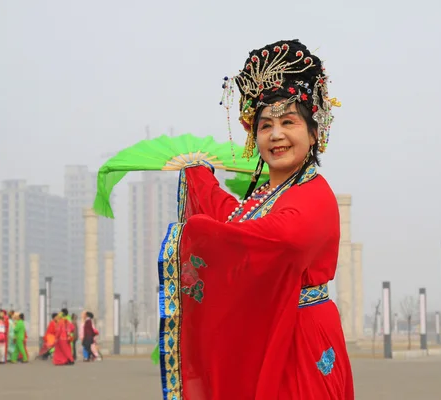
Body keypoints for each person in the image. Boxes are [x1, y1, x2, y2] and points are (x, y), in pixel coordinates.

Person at [156, 39, 353, 400]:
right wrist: (200, 179)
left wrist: (196, 231)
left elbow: (272, 238)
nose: (276, 134)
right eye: (265, 126)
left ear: (313, 132)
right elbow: (235, 221)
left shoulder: (313, 193)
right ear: (254, 137)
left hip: (300, 339)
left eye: (288, 122)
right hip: (269, 328)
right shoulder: (264, 196)